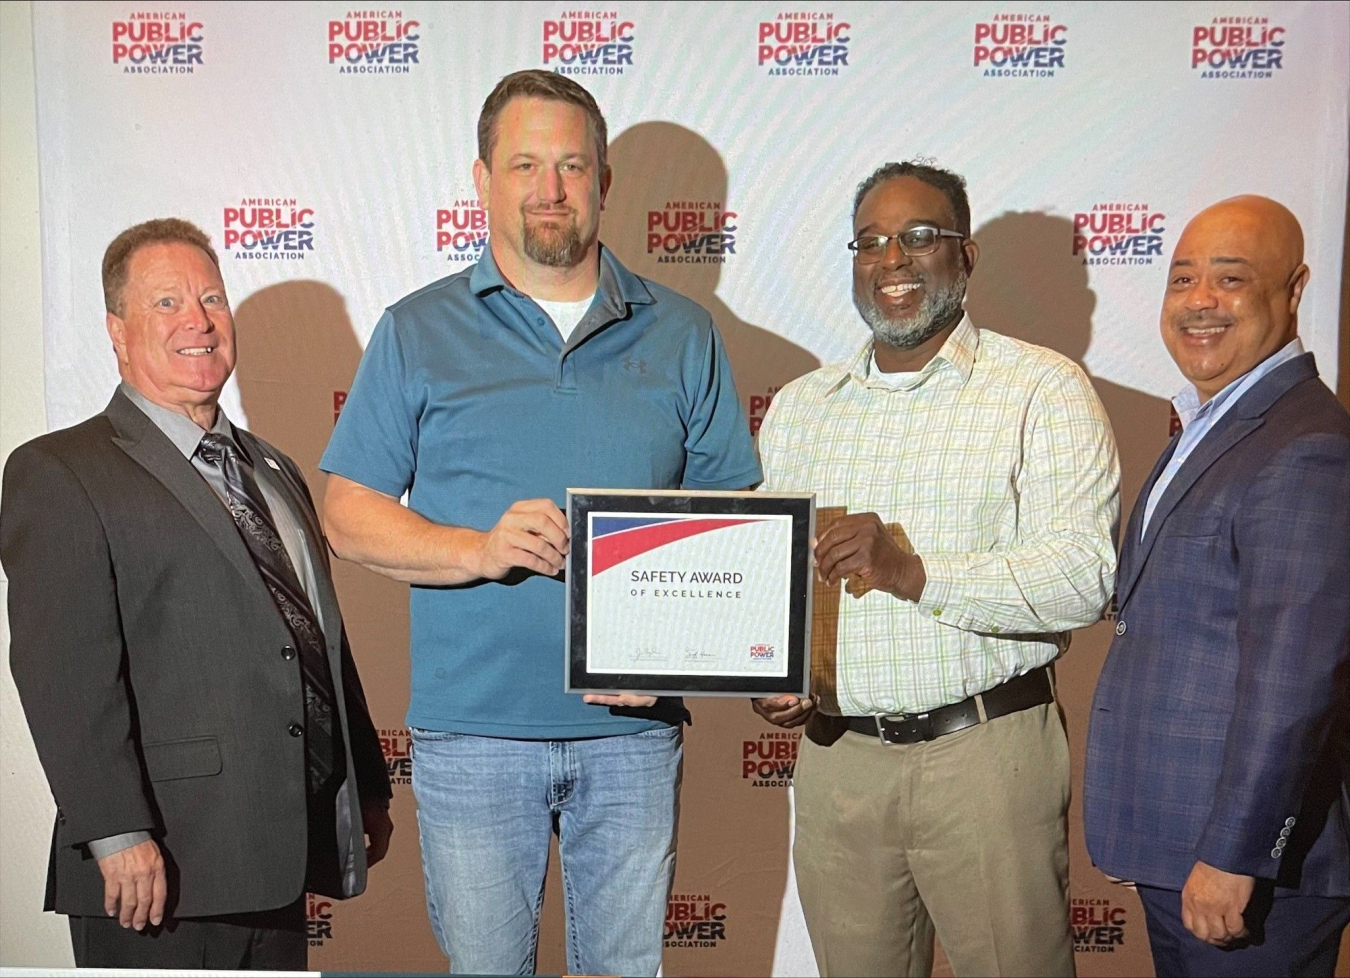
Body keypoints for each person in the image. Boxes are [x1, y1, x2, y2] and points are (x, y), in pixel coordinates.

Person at [319, 70, 759, 976]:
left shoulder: (684, 332)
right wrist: (477, 549)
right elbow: (348, 514)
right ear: (481, 182)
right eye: (525, 164)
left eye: (571, 165)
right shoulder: (415, 329)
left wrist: (672, 655)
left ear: (606, 180)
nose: (549, 189)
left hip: (633, 738)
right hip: (472, 737)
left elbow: (736, 524)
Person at [752, 161, 1119, 977]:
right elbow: (776, 587)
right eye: (872, 241)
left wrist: (915, 573)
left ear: (967, 255)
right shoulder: (801, 408)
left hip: (985, 758)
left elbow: (1086, 577)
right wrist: (769, 673)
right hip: (838, 763)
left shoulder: (1042, 391)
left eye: (920, 236)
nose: (894, 260)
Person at [1, 218, 392, 970]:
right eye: (167, 303)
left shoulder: (272, 470)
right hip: (158, 870)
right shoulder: (62, 471)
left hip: (277, 853)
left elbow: (313, 637)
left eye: (211, 298)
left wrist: (363, 781)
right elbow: (63, 676)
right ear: (117, 332)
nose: (198, 321)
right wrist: (117, 833)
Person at [1084, 196, 1350, 977]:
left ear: (1294, 290)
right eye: (1183, 278)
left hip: (1244, 870)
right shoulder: (1214, 426)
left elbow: (1293, 682)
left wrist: (1236, 856)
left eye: (1230, 280)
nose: (1199, 301)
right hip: (1179, 852)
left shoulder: (1305, 447)